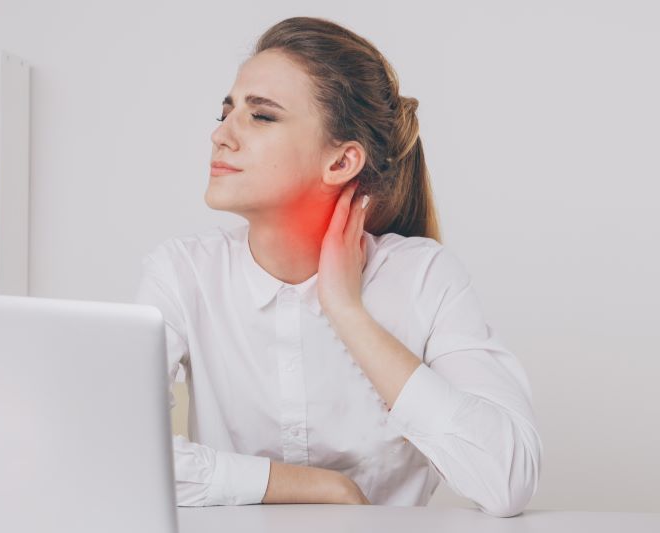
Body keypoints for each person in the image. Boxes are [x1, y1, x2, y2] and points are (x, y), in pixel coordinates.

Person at [134, 16, 542, 518]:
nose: (221, 134)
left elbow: (508, 480)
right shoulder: (182, 273)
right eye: (226, 111)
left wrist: (346, 311)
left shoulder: (425, 279)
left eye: (261, 116)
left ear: (342, 162)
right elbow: (113, 451)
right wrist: (317, 487)